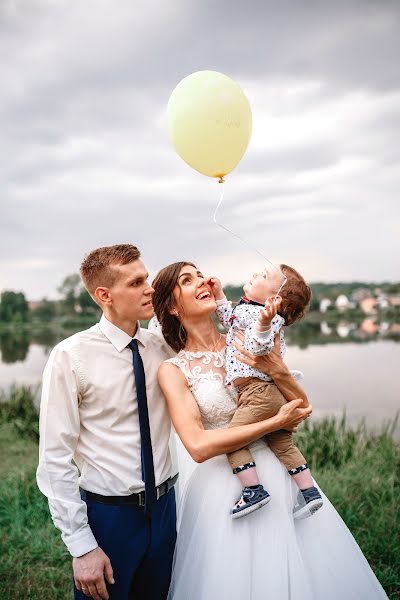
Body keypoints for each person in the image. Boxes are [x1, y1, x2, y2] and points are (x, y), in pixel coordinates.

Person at [36, 245, 311, 600]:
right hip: (111, 513)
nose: (148, 288)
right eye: (136, 282)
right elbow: (54, 459)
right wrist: (80, 545)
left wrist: (276, 368)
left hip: (169, 509)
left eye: (148, 279)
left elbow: (294, 402)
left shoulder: (162, 345)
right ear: (104, 295)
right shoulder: (72, 356)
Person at [153, 261, 389, 600]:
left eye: (200, 274)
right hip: (222, 488)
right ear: (173, 306)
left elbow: (301, 408)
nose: (202, 280)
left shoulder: (248, 338)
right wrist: (275, 423)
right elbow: (198, 446)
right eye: (187, 280)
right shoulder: (174, 370)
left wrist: (279, 372)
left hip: (279, 475)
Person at [212, 264, 322, 519]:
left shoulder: (268, 318)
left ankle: (253, 490)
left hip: (257, 392)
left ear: (273, 299)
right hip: (267, 392)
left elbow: (259, 347)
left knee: (233, 439)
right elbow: (228, 320)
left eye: (262, 275)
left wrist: (262, 323)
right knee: (282, 442)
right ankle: (309, 492)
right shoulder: (249, 310)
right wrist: (219, 295)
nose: (253, 274)